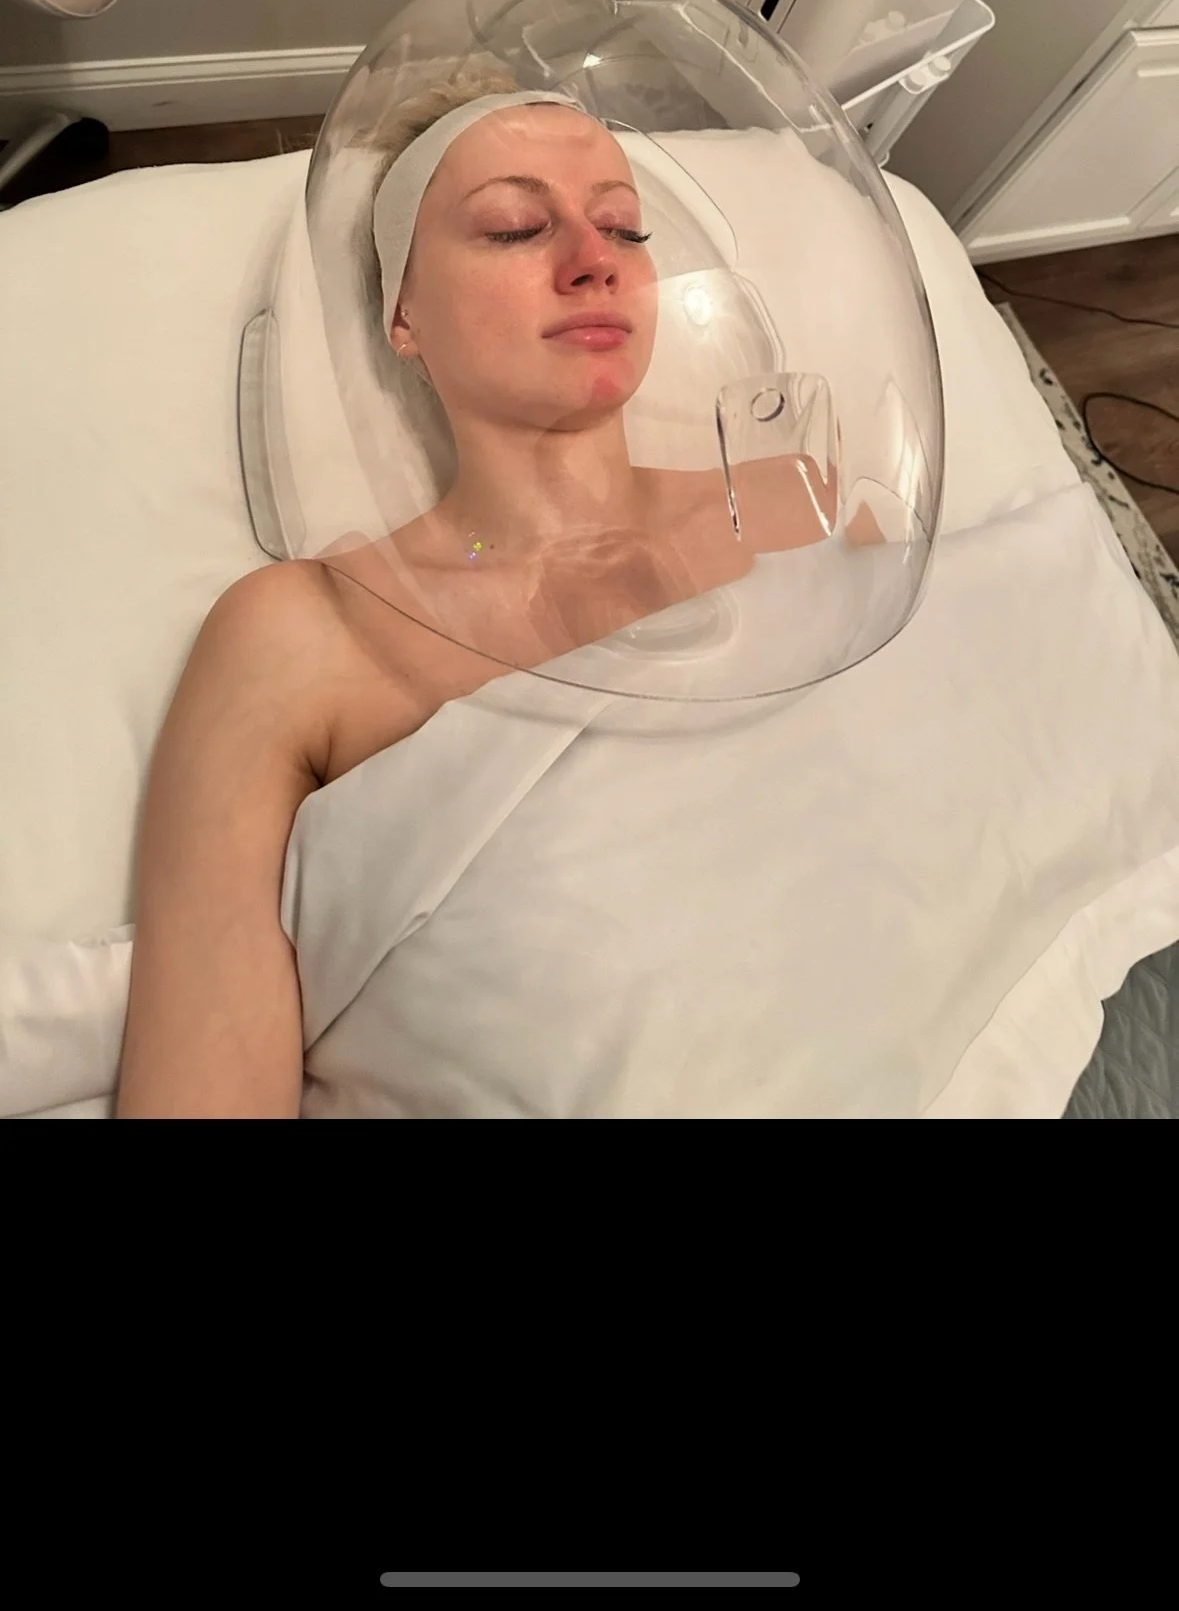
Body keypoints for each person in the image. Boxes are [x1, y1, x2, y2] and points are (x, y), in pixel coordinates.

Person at [116, 71, 851, 1119]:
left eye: (625, 228)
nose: (594, 262)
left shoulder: (796, 502)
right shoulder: (301, 632)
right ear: (402, 313)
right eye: (513, 227)